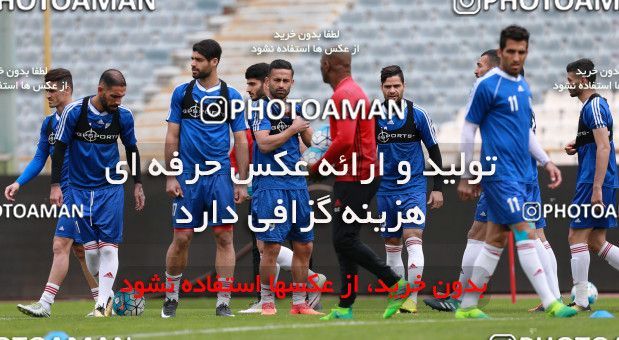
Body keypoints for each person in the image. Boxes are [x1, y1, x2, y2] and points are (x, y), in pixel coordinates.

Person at [456, 25, 575, 319]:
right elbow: (469, 129)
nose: (516, 57)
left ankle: (467, 306)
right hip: (499, 174)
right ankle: (552, 302)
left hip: (524, 174)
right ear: (501, 52)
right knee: (526, 233)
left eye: (521, 52)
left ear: (527, 52)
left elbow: (525, 132)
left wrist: (546, 161)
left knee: (495, 239)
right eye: (510, 51)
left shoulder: (522, 85)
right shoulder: (488, 85)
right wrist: (466, 172)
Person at [310, 51, 409, 321]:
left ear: (328, 65)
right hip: (355, 173)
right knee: (344, 241)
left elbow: (342, 140)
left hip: (357, 174)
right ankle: (345, 305)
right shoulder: (352, 91)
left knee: (343, 239)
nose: (320, 68)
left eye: (321, 64)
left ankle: (395, 283)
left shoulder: (343, 95)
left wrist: (318, 167)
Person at [161, 39, 249, 318]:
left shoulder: (231, 96)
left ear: (214, 62)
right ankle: (171, 297)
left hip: (220, 175)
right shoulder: (182, 93)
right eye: (192, 58)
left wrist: (241, 180)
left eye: (199, 60)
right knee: (183, 237)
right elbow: (172, 136)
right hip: (188, 176)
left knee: (224, 236)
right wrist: (172, 174)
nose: (193, 64)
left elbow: (241, 140)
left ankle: (223, 302)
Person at [48, 69, 144, 317]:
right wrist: (56, 185)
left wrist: (137, 184)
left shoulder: (123, 116)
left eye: (122, 96)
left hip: (110, 189)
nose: (118, 101)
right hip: (79, 191)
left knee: (109, 249)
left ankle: (101, 306)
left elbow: (132, 149)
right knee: (90, 255)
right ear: (101, 90)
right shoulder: (75, 112)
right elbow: (58, 149)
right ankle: (108, 295)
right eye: (114, 96)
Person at [13, 68, 100, 317]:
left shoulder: (84, 118)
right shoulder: (49, 123)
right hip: (70, 190)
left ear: (67, 89)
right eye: (45, 89)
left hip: (82, 191)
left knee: (60, 244)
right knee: (81, 250)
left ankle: (46, 303)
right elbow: (41, 156)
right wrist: (19, 182)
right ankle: (103, 302)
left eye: (52, 89)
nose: (47, 94)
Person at [377, 65, 444, 314]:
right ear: (381, 88)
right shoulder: (373, 116)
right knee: (392, 245)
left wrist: (438, 187)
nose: (392, 90)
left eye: (396, 86)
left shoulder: (418, 115)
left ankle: (411, 299)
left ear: (403, 86)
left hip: (413, 186)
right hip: (385, 189)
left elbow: (434, 151)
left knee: (413, 239)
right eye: (388, 86)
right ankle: (398, 295)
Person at [564, 58, 619, 312]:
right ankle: (582, 299)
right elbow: (597, 141)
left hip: (593, 181)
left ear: (583, 80)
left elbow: (605, 146)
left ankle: (581, 301)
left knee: (576, 236)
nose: (568, 85)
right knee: (596, 241)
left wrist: (596, 187)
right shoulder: (592, 107)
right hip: (600, 180)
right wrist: (578, 144)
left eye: (571, 81)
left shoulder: (594, 105)